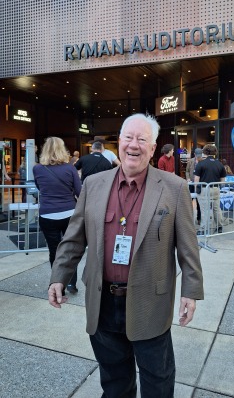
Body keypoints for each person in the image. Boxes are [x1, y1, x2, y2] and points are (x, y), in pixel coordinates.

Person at [48, 113, 204, 398]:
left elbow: (188, 246)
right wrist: (59, 276)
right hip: (103, 302)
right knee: (114, 381)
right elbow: (73, 238)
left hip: (150, 303)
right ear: (119, 142)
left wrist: (191, 291)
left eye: (142, 139)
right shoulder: (93, 185)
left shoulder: (174, 188)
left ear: (153, 148)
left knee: (158, 380)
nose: (134, 145)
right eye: (128, 138)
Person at [33, 137, 82, 294]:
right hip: (69, 213)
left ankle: (56, 284)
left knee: (54, 251)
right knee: (70, 250)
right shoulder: (70, 168)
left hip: (47, 214)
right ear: (63, 150)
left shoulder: (38, 169)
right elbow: (79, 192)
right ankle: (71, 284)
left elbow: (39, 188)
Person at [194, 144, 226, 235]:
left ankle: (203, 229)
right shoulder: (220, 164)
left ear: (205, 152)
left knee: (205, 210)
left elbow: (196, 179)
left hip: (204, 189)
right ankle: (219, 227)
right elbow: (223, 180)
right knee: (217, 209)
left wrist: (197, 190)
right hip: (216, 189)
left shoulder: (201, 164)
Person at [185, 148, 203, 224]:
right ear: (194, 154)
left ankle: (199, 218)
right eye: (197, 155)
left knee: (199, 202)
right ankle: (189, 219)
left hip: (199, 184)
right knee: (189, 201)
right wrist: (188, 178)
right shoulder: (190, 161)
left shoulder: (203, 161)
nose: (199, 157)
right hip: (191, 184)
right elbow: (187, 171)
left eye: (200, 155)